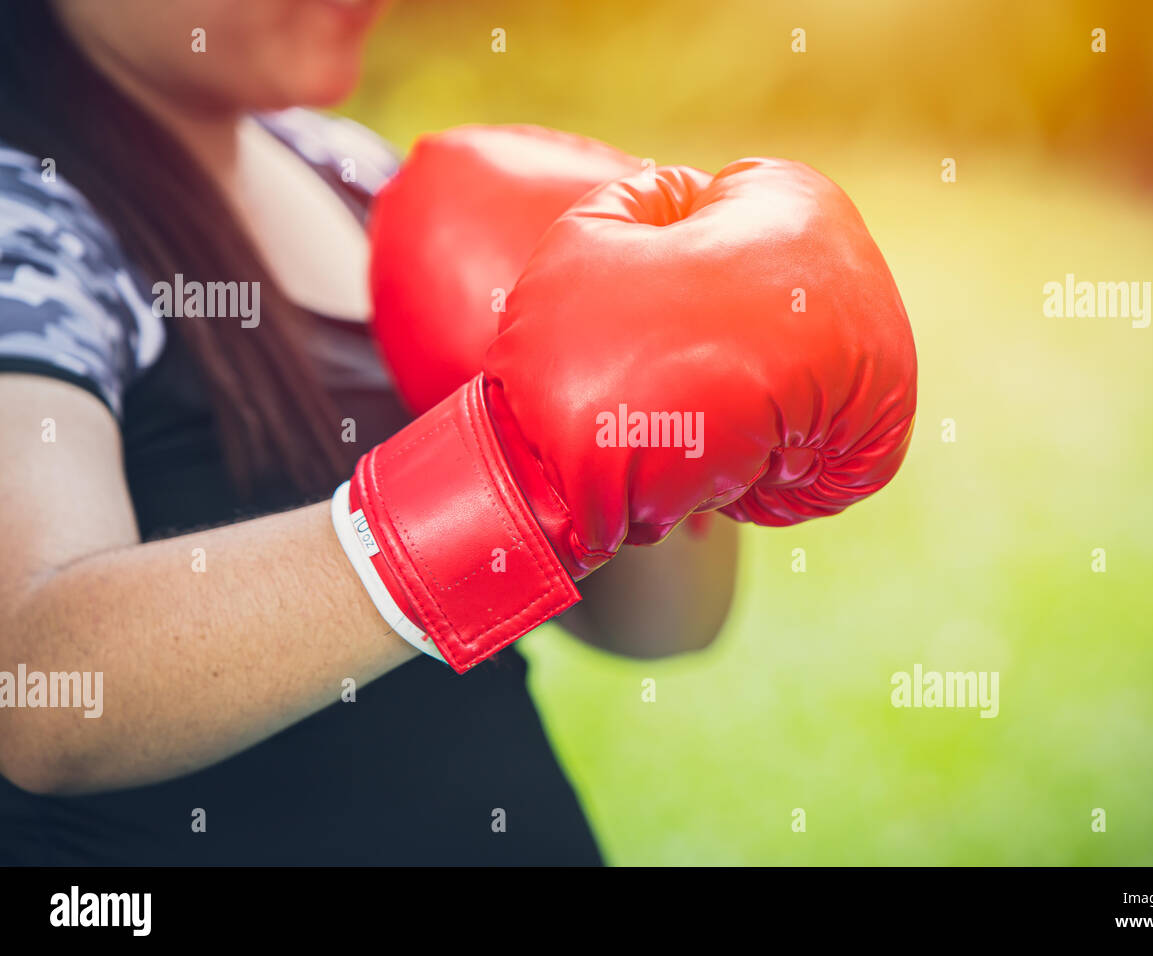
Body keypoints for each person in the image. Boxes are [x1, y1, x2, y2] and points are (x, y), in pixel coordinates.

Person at [0, 0, 738, 865]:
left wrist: (679, 408)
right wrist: (509, 492)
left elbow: (663, 627)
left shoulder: (357, 173)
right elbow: (43, 691)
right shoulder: (27, 220)